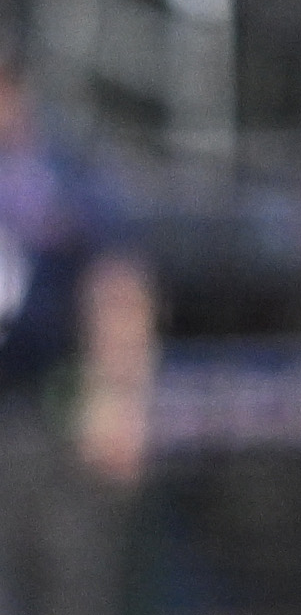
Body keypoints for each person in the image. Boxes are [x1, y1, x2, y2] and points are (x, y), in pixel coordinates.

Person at [0, 45, 154, 615]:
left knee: (72, 588)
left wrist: (119, 399)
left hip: (53, 410)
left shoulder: (64, 172)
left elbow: (117, 285)